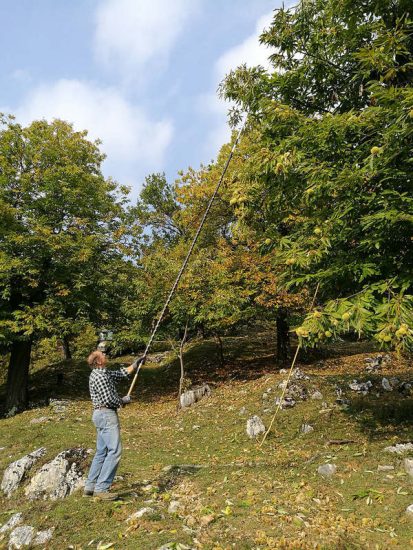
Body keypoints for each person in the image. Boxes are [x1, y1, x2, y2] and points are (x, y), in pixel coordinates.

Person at [83, 350, 144, 500]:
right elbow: (109, 399)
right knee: (115, 451)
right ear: (98, 361)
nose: (105, 355)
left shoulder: (103, 373)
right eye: (102, 355)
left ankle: (90, 486)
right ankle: (102, 488)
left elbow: (120, 374)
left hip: (100, 415)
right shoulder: (100, 376)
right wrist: (123, 401)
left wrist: (135, 364)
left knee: (101, 451)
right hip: (106, 414)